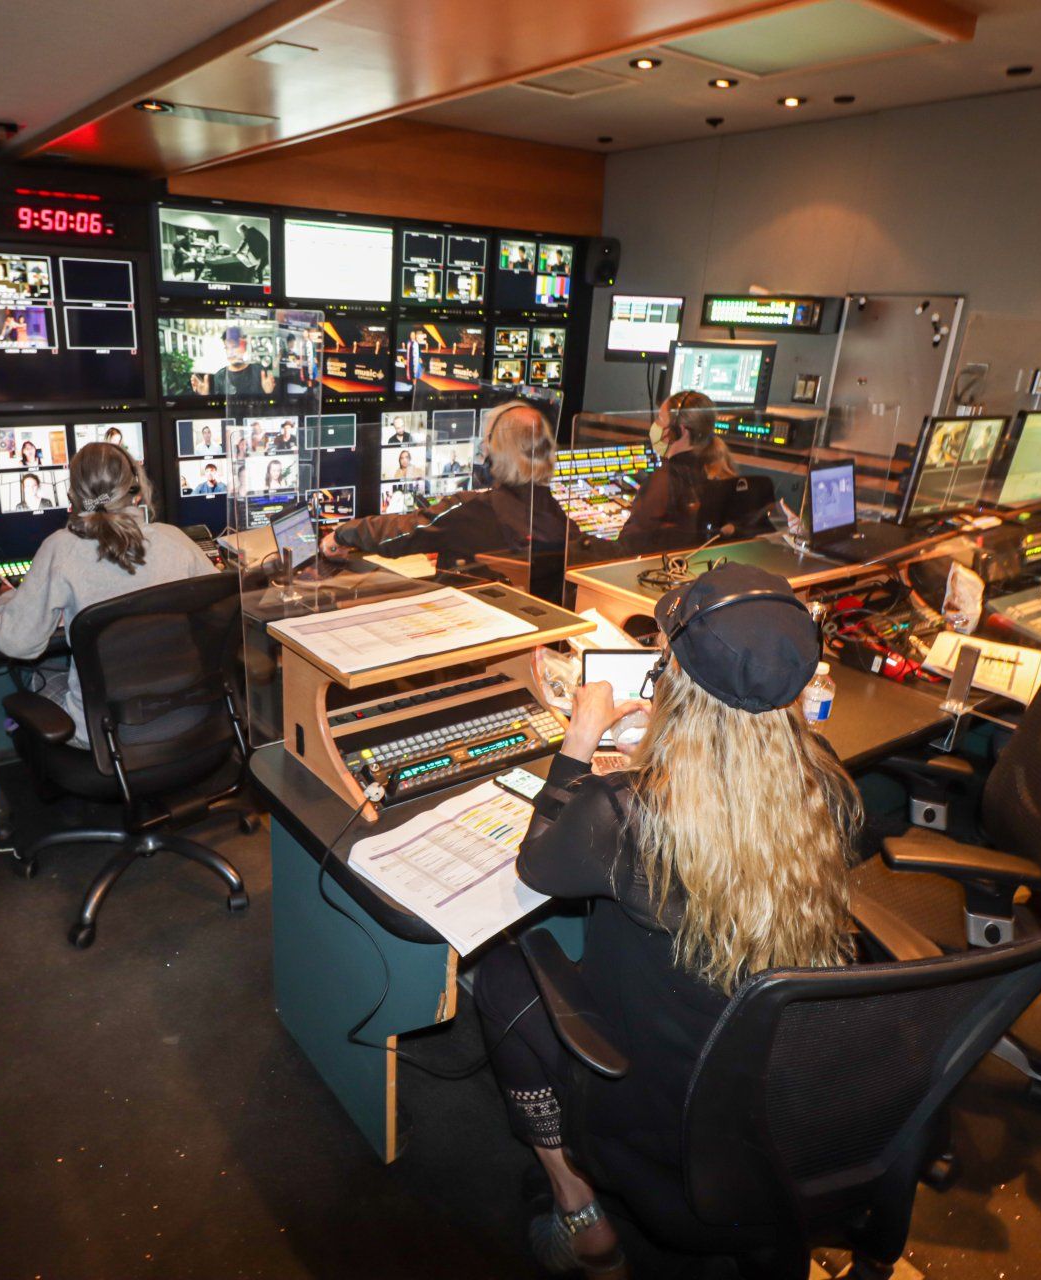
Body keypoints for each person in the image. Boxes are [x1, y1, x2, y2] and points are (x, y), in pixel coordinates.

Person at [473, 564, 860, 1277]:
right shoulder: (827, 788)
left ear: (672, 681)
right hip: (776, 1091)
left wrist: (581, 741)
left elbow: (537, 868)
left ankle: (579, 1211)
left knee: (498, 970)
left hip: (649, 1098)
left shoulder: (625, 812)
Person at [0, 444, 216, 747]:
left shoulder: (61, 549)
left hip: (107, 734)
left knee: (37, 672)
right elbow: (218, 609)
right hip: (188, 717)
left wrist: (5, 599)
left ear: (73, 495)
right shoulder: (175, 539)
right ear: (135, 486)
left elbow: (17, 644)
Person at [322, 401, 572, 565]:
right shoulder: (555, 514)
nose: (482, 448)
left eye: (487, 442)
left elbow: (399, 533)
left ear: (496, 453)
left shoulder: (471, 508)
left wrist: (342, 534)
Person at [619, 390, 761, 554]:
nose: (655, 425)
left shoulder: (665, 479)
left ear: (679, 431)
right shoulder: (711, 471)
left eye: (660, 419)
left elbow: (626, 548)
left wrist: (582, 540)